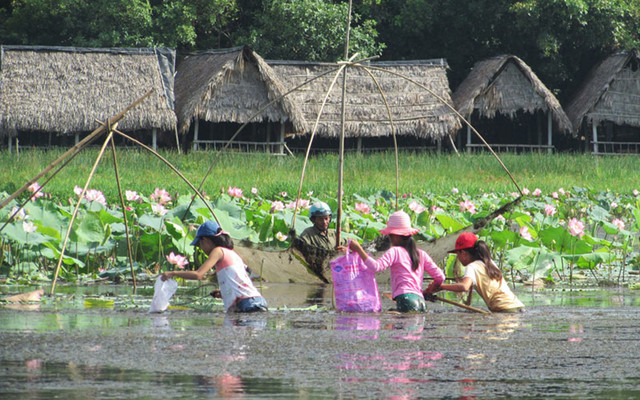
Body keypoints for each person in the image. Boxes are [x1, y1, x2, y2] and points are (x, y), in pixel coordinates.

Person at [345, 211, 445, 312]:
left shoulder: (395, 251)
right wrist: (431, 289)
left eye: (390, 236)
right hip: (421, 301)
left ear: (396, 236)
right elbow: (440, 277)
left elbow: (376, 267)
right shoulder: (421, 254)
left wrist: (359, 249)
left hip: (406, 300)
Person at [161, 220, 267, 313]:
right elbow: (239, 282)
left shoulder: (218, 251)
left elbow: (198, 274)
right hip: (254, 300)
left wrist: (172, 273)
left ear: (206, 240)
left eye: (200, 244)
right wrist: (223, 293)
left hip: (247, 304)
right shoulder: (231, 253)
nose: (201, 248)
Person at [424, 232, 524, 313]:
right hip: (517, 305)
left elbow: (464, 287)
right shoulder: (489, 262)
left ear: (463, 253)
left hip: (504, 309)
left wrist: (441, 286)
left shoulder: (472, 267)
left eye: (457, 254)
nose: (458, 258)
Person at [293, 201, 344, 282]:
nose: (324, 222)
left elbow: (348, 245)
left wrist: (344, 250)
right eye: (320, 219)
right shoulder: (308, 235)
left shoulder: (334, 234)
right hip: (317, 276)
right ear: (313, 219)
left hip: (335, 273)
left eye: (326, 218)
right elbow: (301, 252)